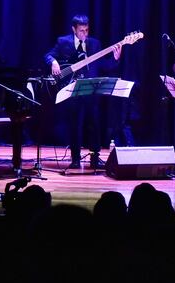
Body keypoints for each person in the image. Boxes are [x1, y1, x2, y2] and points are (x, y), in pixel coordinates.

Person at [44, 15, 121, 172]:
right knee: (75, 125)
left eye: (86, 30)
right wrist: (53, 61)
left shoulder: (94, 44)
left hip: (91, 90)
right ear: (74, 29)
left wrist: (115, 58)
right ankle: (75, 159)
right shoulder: (63, 42)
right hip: (73, 91)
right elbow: (48, 55)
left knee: (94, 124)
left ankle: (94, 158)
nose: (84, 34)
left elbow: (104, 66)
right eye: (81, 30)